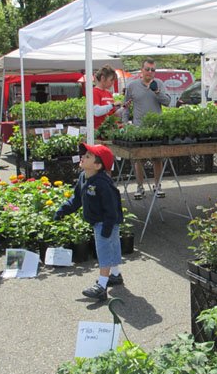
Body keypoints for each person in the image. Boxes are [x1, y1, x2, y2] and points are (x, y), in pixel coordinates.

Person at [53, 143, 124, 302]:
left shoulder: (103, 184)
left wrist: (107, 228)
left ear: (98, 165)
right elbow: (76, 199)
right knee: (111, 247)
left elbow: (112, 207)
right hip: (99, 222)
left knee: (105, 251)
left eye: (87, 156)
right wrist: (63, 210)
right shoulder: (83, 177)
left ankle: (102, 285)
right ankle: (115, 275)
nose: (83, 158)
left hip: (106, 222)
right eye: (84, 155)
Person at [123, 58, 171, 199]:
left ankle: (157, 186)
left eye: (153, 69)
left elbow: (168, 102)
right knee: (139, 159)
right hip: (139, 128)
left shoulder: (159, 84)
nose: (150, 72)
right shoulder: (132, 86)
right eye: (148, 69)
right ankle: (139, 187)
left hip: (156, 128)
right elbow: (126, 106)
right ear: (141, 70)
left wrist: (157, 91)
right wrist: (125, 123)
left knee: (157, 158)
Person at [92, 64, 123, 129]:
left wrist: (123, 108)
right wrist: (112, 105)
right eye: (111, 80)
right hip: (99, 132)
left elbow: (113, 114)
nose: (113, 83)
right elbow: (96, 112)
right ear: (103, 78)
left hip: (109, 130)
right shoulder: (94, 92)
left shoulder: (108, 93)